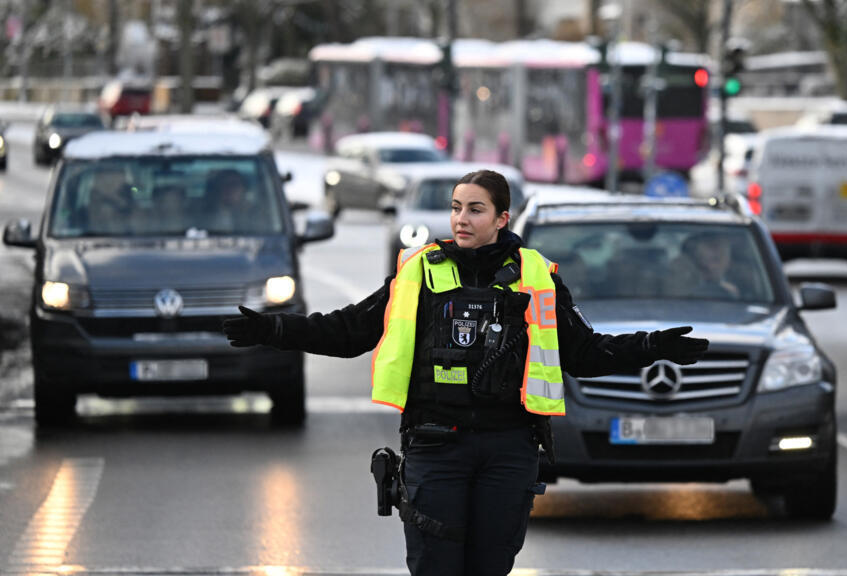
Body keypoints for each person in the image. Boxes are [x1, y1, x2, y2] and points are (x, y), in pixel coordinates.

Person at [222, 170, 709, 576]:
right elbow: (348, 331)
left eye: (475, 209)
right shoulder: (419, 273)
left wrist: (651, 346)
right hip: (436, 448)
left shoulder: (536, 277)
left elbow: (583, 353)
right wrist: (274, 328)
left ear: (502, 217)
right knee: (436, 566)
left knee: (489, 568)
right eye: (456, 207)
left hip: (509, 450)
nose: (461, 219)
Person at [682, 231, 741, 299]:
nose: (709, 266)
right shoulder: (680, 288)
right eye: (704, 258)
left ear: (729, 262)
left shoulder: (742, 290)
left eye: (716, 259)